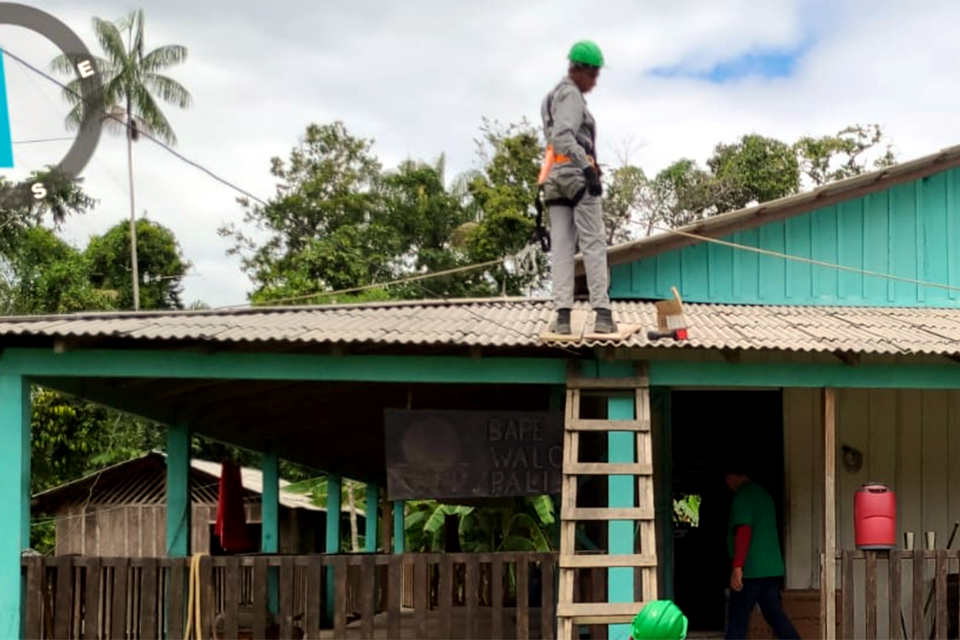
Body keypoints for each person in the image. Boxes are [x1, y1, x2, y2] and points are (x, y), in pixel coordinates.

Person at [539, 40, 617, 335]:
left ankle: (562, 317)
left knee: (560, 249)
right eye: (594, 75)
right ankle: (603, 314)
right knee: (594, 244)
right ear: (579, 70)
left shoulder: (550, 97)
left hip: (554, 177)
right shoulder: (571, 95)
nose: (594, 82)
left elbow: (553, 140)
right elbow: (562, 137)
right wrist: (587, 168)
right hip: (575, 175)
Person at [724, 464, 801, 640]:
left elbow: (744, 531)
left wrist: (737, 567)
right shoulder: (764, 495)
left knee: (737, 621)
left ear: (733, 476)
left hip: (751, 571)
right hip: (771, 570)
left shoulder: (743, 495)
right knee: (776, 617)